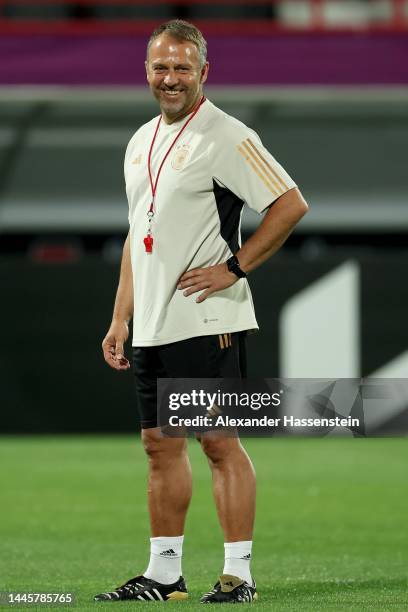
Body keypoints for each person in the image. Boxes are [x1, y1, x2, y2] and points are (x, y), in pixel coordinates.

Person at [95, 19, 308, 604]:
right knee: (160, 446)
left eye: (182, 67)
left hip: (208, 319)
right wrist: (120, 318)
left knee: (217, 443)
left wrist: (235, 268)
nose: (171, 78)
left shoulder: (228, 135)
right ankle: (164, 573)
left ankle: (239, 575)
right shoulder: (140, 141)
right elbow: (140, 237)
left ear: (203, 73)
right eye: (161, 67)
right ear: (146, 71)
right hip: (152, 323)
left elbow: (290, 204)